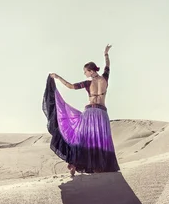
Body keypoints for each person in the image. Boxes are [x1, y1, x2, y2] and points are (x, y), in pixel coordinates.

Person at [42, 44, 120, 177]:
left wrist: (58, 77)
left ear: (90, 71)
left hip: (91, 113)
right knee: (99, 139)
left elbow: (71, 86)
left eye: (85, 71)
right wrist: (106, 54)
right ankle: (92, 166)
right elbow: (107, 65)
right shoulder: (104, 78)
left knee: (84, 138)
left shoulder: (88, 83)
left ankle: (77, 164)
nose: (85, 74)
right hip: (101, 113)